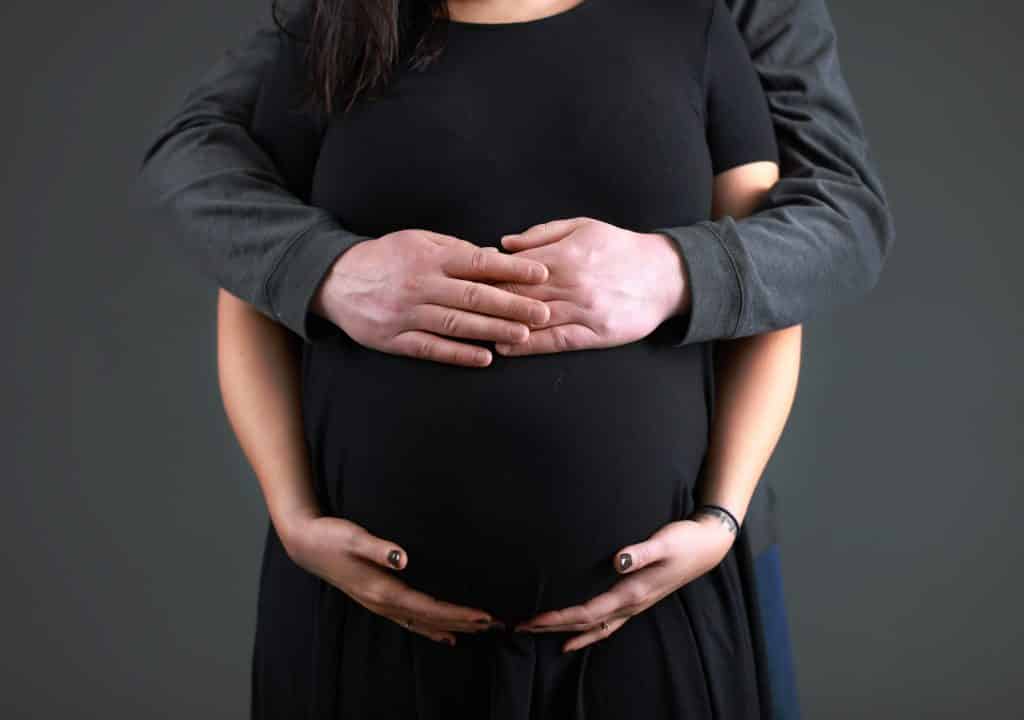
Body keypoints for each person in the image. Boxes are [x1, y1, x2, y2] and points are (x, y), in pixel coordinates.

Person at [139, 0, 894, 717]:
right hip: (363, 612)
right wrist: (327, 275)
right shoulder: (336, 34)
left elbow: (832, 221)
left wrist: (674, 274)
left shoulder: (702, 26)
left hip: (667, 589)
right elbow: (213, 189)